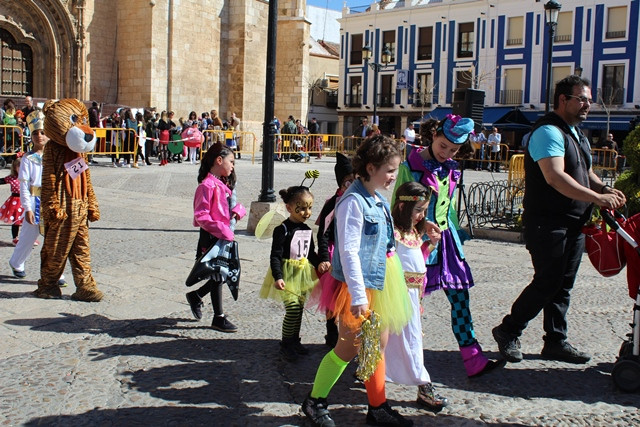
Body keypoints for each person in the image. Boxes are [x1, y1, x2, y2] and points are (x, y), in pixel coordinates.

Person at [492, 75, 626, 365]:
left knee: (563, 284)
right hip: (548, 222)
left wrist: (602, 189)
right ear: (563, 100)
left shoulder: (575, 133)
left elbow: (583, 170)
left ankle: (555, 341)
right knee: (547, 282)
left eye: (589, 100)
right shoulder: (549, 132)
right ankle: (508, 330)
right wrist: (596, 198)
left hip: (573, 222)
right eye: (582, 99)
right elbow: (555, 176)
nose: (587, 105)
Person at [301, 135, 413, 427]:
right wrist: (358, 296)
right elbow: (349, 251)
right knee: (348, 347)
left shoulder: (376, 197)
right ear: (372, 167)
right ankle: (314, 401)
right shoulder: (352, 201)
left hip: (381, 279)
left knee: (377, 343)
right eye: (390, 170)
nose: (393, 176)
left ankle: (377, 406)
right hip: (358, 285)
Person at [393, 114, 505, 378]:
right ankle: (379, 360)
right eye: (443, 145)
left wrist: (456, 236)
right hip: (417, 242)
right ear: (434, 135)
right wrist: (417, 230)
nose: (447, 152)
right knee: (405, 305)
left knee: (460, 299)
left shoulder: (453, 168)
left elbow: (450, 206)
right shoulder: (412, 164)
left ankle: (473, 359)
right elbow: (400, 203)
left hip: (446, 243)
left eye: (453, 149)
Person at [386, 181, 449, 413]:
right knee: (407, 341)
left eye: (424, 210)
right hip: (396, 297)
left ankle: (372, 369)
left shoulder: (413, 232)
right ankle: (424, 385)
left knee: (406, 341)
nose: (422, 215)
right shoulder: (392, 233)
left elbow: (417, 259)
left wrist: (430, 244)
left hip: (413, 298)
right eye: (418, 210)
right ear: (402, 207)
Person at [259, 186, 329, 362]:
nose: (307, 212)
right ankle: (286, 343)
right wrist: (278, 276)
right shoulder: (282, 230)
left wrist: (319, 262)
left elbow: (310, 253)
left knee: (298, 309)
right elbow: (275, 256)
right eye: (302, 207)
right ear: (290, 208)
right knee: (291, 309)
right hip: (287, 274)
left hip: (303, 274)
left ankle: (294, 340)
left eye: (310, 207)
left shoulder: (306, 229)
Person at [185, 143, 245, 332]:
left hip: (222, 234)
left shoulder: (222, 183)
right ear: (219, 160)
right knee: (219, 273)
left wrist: (237, 211)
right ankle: (218, 317)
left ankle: (197, 296)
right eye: (231, 161)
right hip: (212, 236)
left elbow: (226, 208)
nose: (233, 166)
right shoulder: (206, 186)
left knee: (220, 274)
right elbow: (201, 216)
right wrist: (222, 229)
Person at [9, 111, 65, 285]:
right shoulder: (28, 159)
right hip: (35, 200)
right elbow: (24, 185)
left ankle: (55, 272)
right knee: (28, 235)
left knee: (54, 237)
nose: (39, 136)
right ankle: (16, 262)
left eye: (42, 132)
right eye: (35, 133)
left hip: (53, 201)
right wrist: (27, 208)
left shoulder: (56, 155)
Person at [312, 153, 355, 347]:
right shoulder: (333, 203)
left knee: (350, 297)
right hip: (333, 253)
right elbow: (323, 233)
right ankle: (331, 329)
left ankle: (348, 332)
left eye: (356, 180)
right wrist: (323, 256)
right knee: (333, 296)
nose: (352, 185)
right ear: (340, 183)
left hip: (352, 253)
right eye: (348, 181)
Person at [0, 157, 24, 245]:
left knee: (27, 221)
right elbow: (2, 180)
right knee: (16, 220)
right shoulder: (12, 178)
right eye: (19, 166)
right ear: (15, 167)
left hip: (26, 201)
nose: (22, 169)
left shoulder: (29, 177)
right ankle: (15, 238)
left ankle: (26, 238)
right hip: (15, 202)